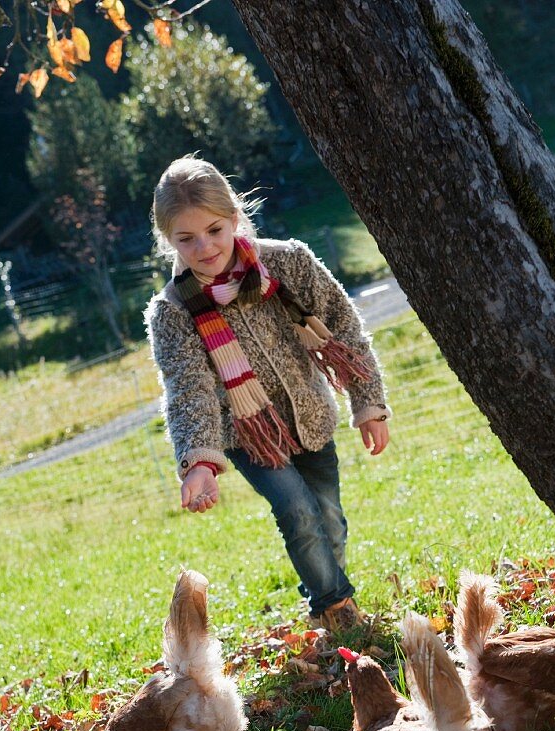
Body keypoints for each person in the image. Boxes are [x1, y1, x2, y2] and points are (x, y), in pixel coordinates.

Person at [145, 156, 391, 631]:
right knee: (298, 513)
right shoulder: (173, 312)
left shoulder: (287, 262)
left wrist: (368, 402)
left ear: (234, 216)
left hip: (312, 415)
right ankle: (339, 610)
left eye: (214, 230)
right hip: (250, 435)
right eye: (186, 239)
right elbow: (187, 387)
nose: (205, 247)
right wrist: (199, 459)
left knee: (330, 519)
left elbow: (343, 326)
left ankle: (324, 606)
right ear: (168, 241)